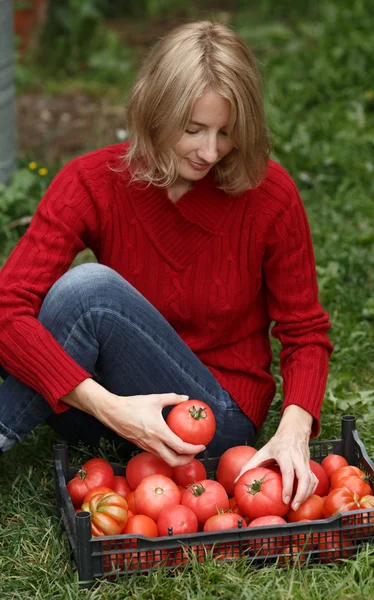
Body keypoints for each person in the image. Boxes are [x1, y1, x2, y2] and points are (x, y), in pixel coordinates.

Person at [0, 21, 333, 512]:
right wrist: (114, 410)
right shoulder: (92, 181)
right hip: (108, 412)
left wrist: (294, 431)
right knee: (48, 309)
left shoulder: (269, 196)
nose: (210, 151)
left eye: (226, 133)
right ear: (154, 113)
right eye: (193, 129)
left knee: (88, 292)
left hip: (210, 420)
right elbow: (8, 308)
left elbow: (305, 331)